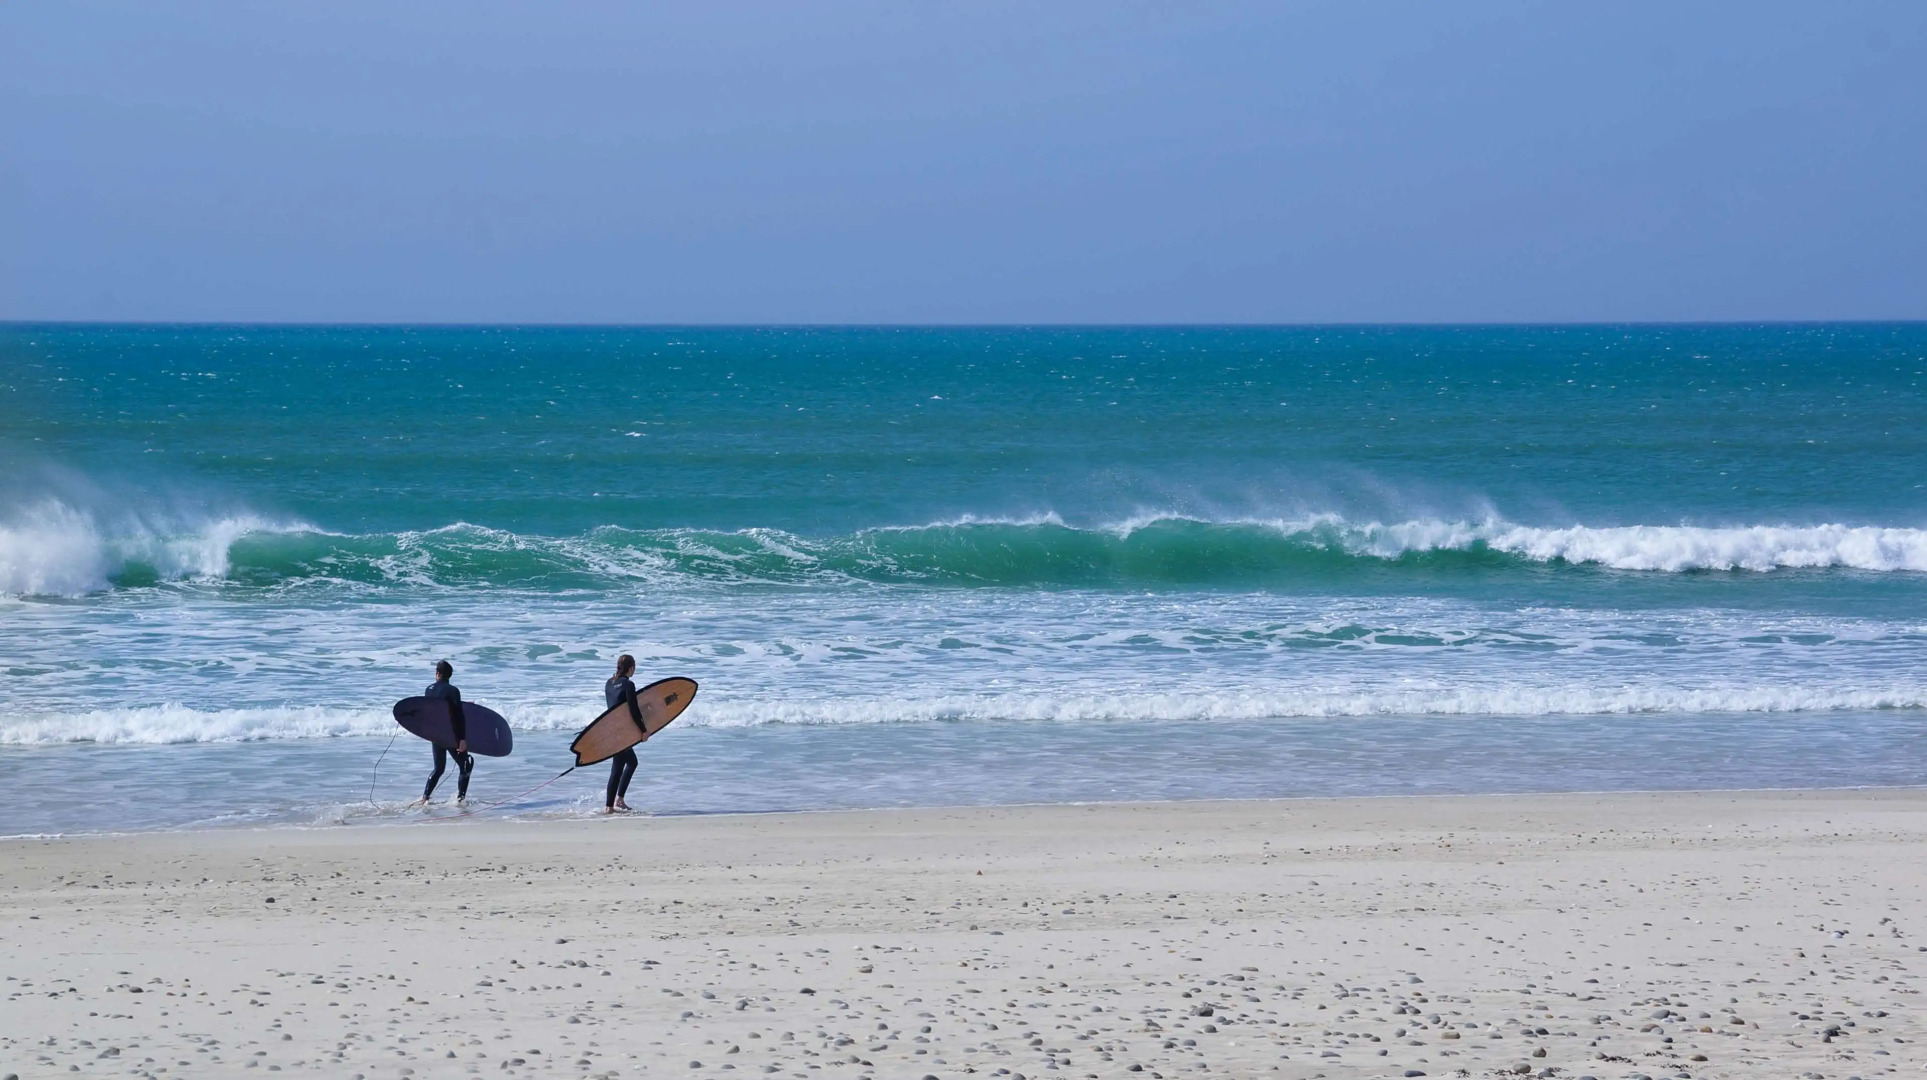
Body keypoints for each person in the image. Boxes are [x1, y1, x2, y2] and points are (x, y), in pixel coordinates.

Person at [417, 659, 474, 805]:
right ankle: (460, 800)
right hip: (450, 736)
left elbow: (438, 709)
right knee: (465, 765)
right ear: (450, 675)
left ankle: (425, 798)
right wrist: (462, 739)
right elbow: (458, 715)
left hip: (435, 735)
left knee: (439, 769)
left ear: (437, 674)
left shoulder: (428, 690)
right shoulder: (454, 691)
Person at [604, 654, 644, 813]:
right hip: (622, 733)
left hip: (610, 730)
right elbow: (634, 710)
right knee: (618, 768)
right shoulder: (628, 684)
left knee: (629, 763)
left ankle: (618, 800)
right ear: (631, 668)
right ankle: (610, 806)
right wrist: (643, 730)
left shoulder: (608, 683)